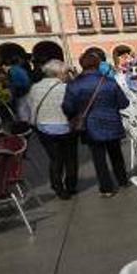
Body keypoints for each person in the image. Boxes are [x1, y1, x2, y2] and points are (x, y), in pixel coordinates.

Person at [62, 51, 130, 197]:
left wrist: (76, 113)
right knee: (116, 154)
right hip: (112, 122)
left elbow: (68, 107)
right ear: (98, 65)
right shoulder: (109, 82)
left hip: (90, 126)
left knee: (98, 158)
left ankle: (106, 188)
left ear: (81, 65)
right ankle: (122, 180)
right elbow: (124, 103)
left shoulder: (75, 84)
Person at [26, 59, 78, 200]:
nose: (68, 75)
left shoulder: (35, 87)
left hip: (43, 128)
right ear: (59, 73)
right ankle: (71, 185)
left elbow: (29, 105)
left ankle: (58, 187)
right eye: (66, 72)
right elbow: (73, 107)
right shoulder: (66, 87)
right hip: (65, 127)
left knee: (55, 159)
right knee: (70, 157)